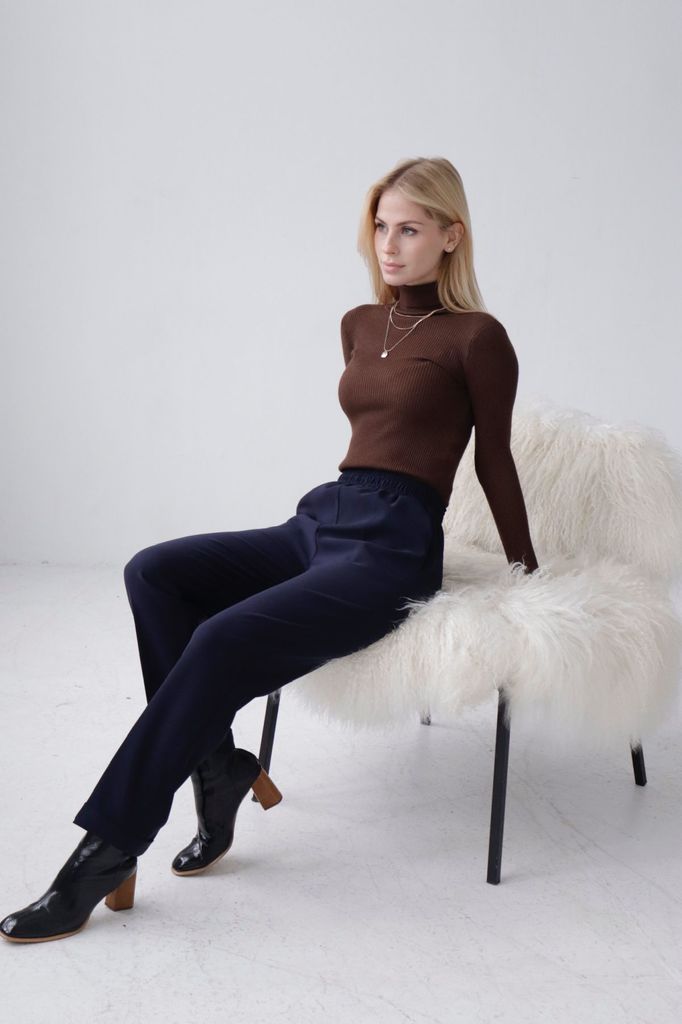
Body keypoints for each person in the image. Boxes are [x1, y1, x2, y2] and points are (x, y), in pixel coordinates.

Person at [0, 155, 539, 943]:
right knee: (154, 573)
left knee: (221, 639)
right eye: (381, 227)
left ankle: (106, 850)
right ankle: (219, 767)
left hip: (392, 547)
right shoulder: (360, 324)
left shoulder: (478, 339)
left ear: (452, 236)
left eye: (410, 230)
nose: (389, 246)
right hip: (322, 517)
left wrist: (528, 573)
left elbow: (493, 459)